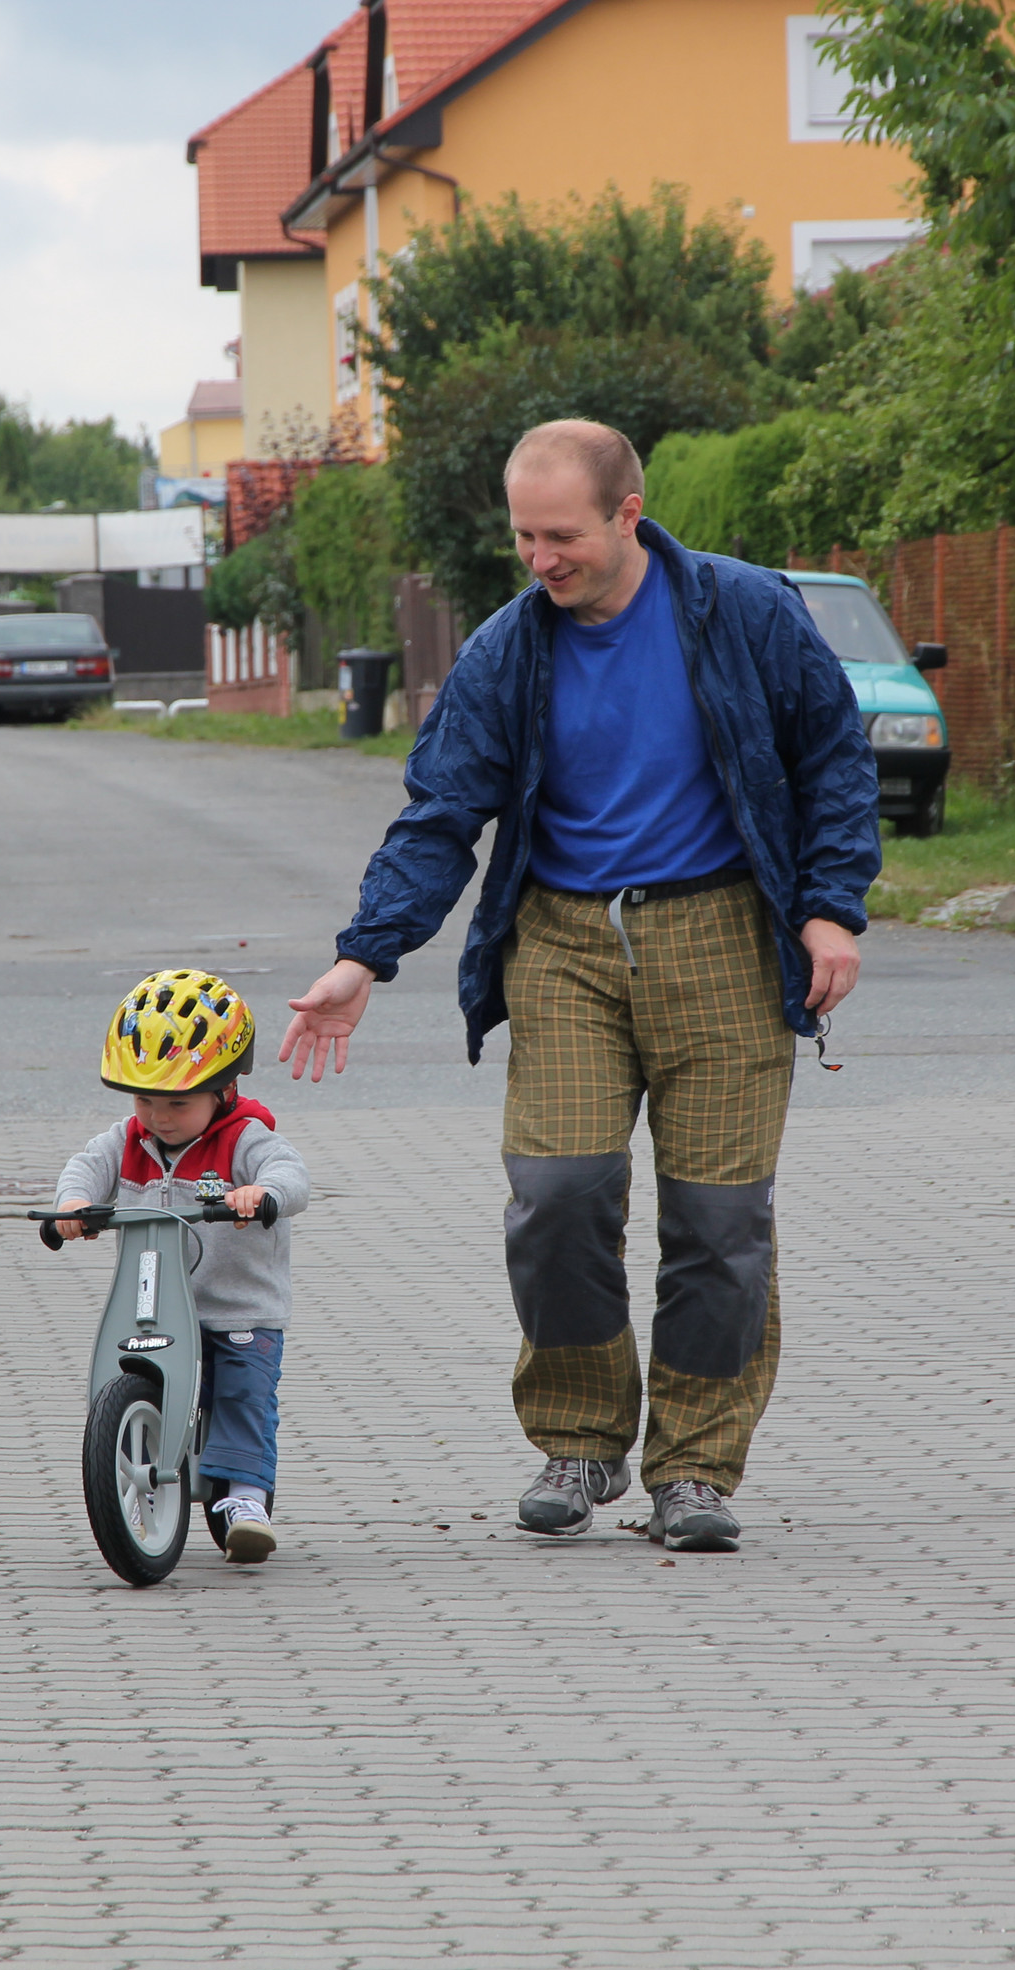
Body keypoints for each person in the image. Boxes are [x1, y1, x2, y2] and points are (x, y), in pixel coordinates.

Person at [277, 419, 877, 1555]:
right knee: (556, 1194)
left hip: (721, 934)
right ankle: (581, 1438)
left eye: (562, 536)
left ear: (627, 515)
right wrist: (364, 955)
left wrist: (830, 906)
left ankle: (693, 1467)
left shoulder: (745, 611)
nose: (540, 558)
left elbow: (832, 760)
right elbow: (441, 815)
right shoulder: (508, 649)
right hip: (562, 943)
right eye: (524, 536)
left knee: (719, 1222)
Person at [51, 970, 314, 1564]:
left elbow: (290, 1175)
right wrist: (73, 1204)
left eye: (177, 1102)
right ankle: (145, 1462)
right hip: (156, 1306)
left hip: (237, 1306)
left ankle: (245, 1500)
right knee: (131, 1374)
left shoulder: (245, 1138)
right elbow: (86, 1166)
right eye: (144, 1100)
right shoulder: (128, 1140)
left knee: (242, 1394)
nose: (158, 1117)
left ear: (225, 1089)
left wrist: (262, 1193)